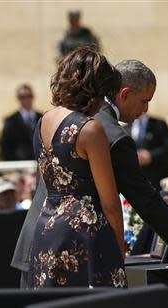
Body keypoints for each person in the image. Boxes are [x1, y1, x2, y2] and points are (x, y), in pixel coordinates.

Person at [12, 58, 168, 288]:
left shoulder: (48, 119)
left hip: (36, 243)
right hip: (78, 252)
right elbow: (143, 201)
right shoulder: (108, 134)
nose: (145, 110)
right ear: (125, 93)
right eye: (144, 101)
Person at [27, 47, 126, 288]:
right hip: (84, 238)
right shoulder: (90, 129)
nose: (103, 102)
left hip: (46, 232)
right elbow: (110, 203)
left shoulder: (43, 122)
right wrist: (119, 246)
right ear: (93, 90)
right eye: (103, 95)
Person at [124, 113, 168, 190]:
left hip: (156, 179)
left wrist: (150, 155)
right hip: (133, 182)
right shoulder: (125, 128)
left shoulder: (159, 124)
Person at [0, 84, 42, 161]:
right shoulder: (10, 121)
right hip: (19, 165)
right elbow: (5, 146)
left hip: (40, 164)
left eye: (28, 96)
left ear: (33, 97)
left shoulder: (42, 118)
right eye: (22, 97)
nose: (26, 99)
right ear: (18, 98)